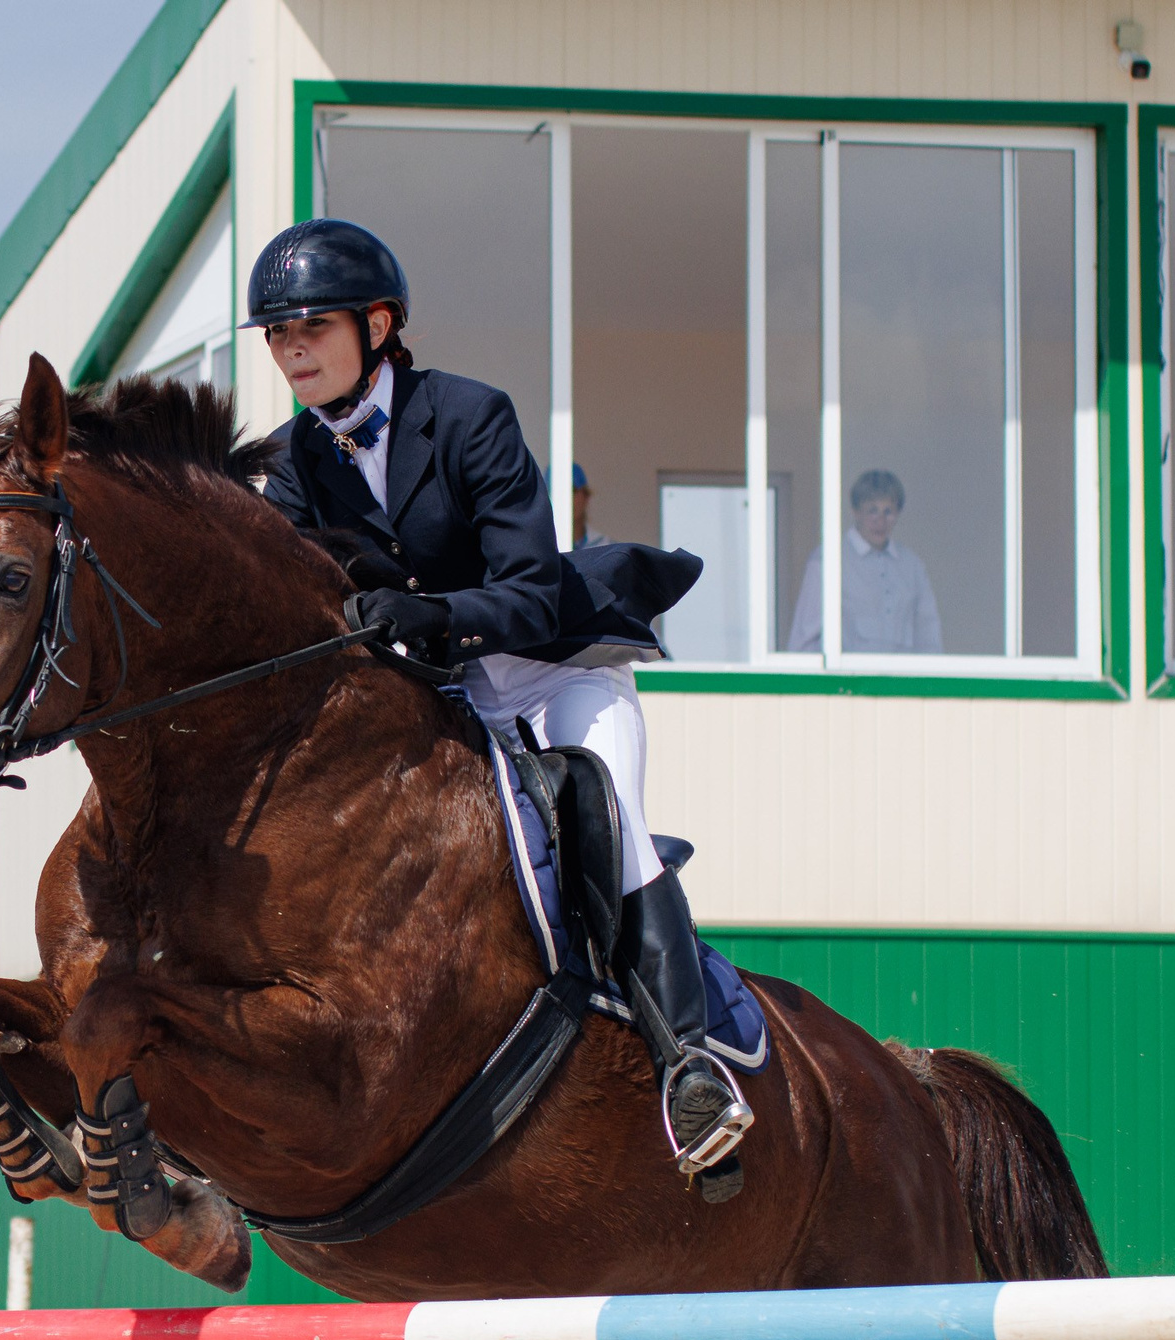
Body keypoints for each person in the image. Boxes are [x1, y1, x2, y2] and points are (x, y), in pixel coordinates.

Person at [249, 217, 752, 1181]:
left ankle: (693, 1070)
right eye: (277, 335)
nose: (292, 348)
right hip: (432, 697)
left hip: (547, 670)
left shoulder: (470, 415)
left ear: (379, 323)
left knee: (610, 813)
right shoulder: (290, 465)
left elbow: (529, 588)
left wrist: (432, 614)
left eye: (310, 325)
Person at [785, 470, 943, 653]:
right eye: (872, 511)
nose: (880, 521)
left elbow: (928, 637)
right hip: (850, 680)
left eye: (888, 511)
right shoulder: (828, 562)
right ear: (856, 511)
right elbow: (805, 641)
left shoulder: (912, 567)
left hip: (901, 680)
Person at [571, 463, 610, 549]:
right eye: (555, 492)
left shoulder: (606, 549)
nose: (565, 500)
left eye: (572, 491)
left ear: (586, 496)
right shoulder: (538, 551)